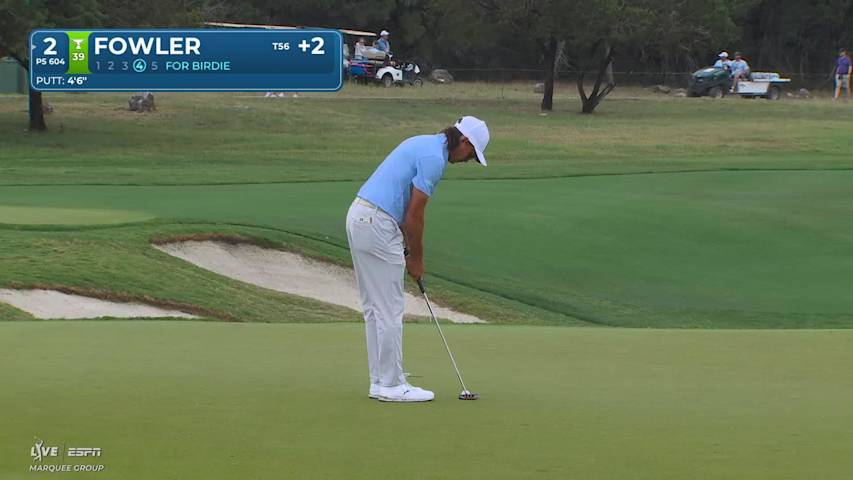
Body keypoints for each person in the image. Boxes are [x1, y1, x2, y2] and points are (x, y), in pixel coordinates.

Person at [345, 116, 490, 403]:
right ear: (465, 142)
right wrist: (417, 260)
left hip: (360, 216)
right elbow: (414, 215)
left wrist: (404, 245)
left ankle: (381, 381)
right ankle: (391, 384)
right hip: (377, 222)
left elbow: (401, 203)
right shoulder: (434, 159)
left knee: (375, 308)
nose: (467, 160)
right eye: (471, 155)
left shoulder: (422, 142)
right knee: (389, 308)